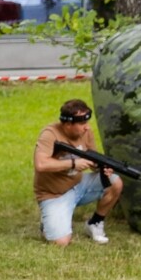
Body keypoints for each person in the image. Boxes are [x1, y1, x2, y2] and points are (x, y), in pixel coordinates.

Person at [32, 99, 123, 246]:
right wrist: (74, 163)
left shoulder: (86, 132)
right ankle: (47, 222)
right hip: (54, 194)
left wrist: (102, 167)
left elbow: (93, 160)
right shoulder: (50, 134)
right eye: (82, 124)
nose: (86, 128)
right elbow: (41, 164)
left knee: (115, 182)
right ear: (68, 124)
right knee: (61, 242)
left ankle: (95, 223)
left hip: (79, 184)